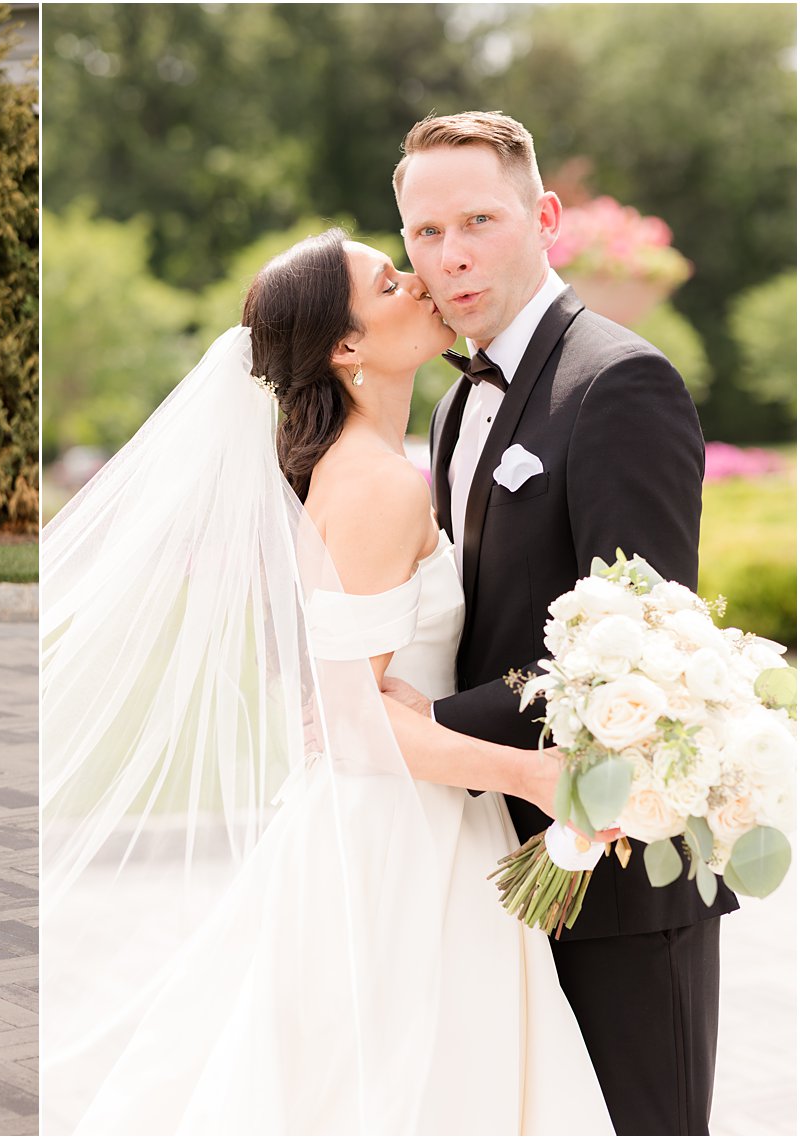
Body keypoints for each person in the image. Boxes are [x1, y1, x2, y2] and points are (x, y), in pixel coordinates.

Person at [41, 231, 613, 1133]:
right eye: (390, 282)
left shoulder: (379, 465)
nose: (419, 280)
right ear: (346, 347)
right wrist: (538, 775)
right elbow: (348, 723)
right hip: (395, 830)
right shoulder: (375, 484)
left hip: (410, 809)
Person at [387, 110, 733, 1135]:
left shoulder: (617, 381)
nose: (449, 255)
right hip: (492, 862)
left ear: (541, 215)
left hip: (622, 876)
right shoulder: (454, 403)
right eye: (422, 233)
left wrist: (429, 728)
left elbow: (641, 646)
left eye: (477, 221)